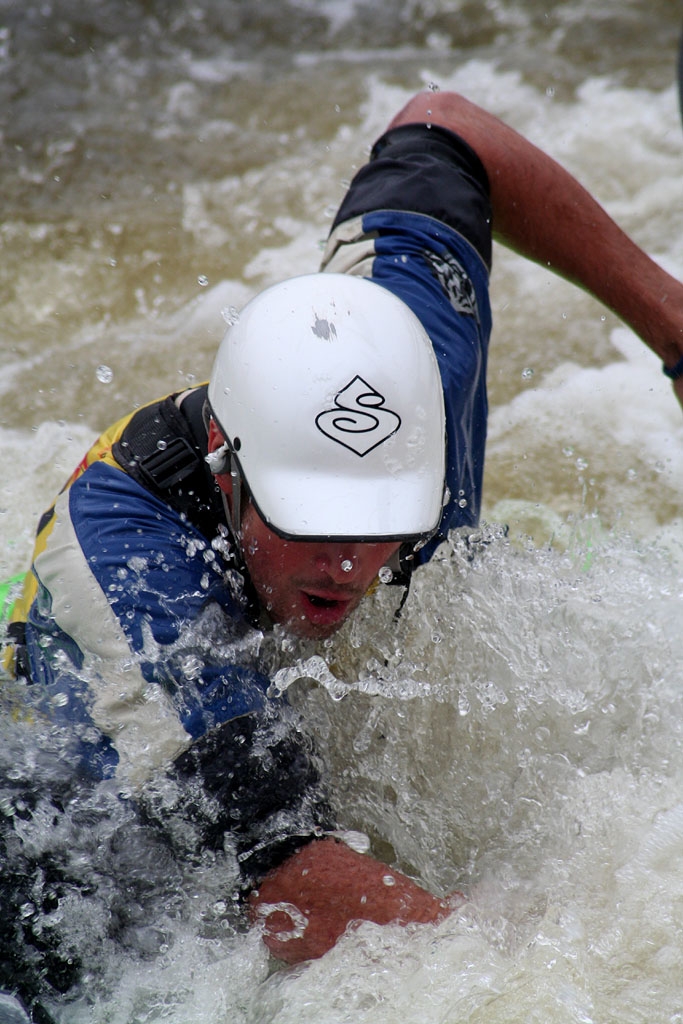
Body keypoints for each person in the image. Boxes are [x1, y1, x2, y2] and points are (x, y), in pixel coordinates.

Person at [3, 89, 683, 1006]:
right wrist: (525, 962)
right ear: (228, 467)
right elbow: (288, 885)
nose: (350, 565)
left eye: (380, 520)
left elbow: (447, 129)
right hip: (75, 784)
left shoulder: (413, 375)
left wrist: (671, 327)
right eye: (313, 522)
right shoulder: (136, 582)